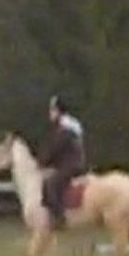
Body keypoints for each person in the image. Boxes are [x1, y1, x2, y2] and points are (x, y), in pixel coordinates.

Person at [37, 95, 87, 230]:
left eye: (52, 110)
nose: (50, 114)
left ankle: (59, 218)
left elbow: (56, 148)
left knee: (51, 184)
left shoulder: (65, 129)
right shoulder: (67, 126)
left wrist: (42, 161)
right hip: (69, 163)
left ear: (58, 112)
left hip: (71, 165)